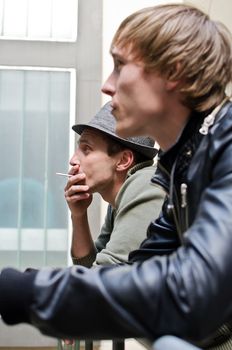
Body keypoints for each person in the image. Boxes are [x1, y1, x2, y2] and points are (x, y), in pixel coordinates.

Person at [0, 3, 232, 349]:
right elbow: (132, 272)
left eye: (120, 66)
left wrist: (27, 291)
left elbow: (192, 293)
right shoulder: (180, 169)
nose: (108, 86)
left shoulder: (224, 148)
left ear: (174, 71)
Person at [64, 101, 164, 267]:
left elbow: (107, 272)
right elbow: (88, 269)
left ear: (123, 160)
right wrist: (78, 215)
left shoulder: (146, 184)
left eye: (86, 149)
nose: (73, 160)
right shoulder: (119, 199)